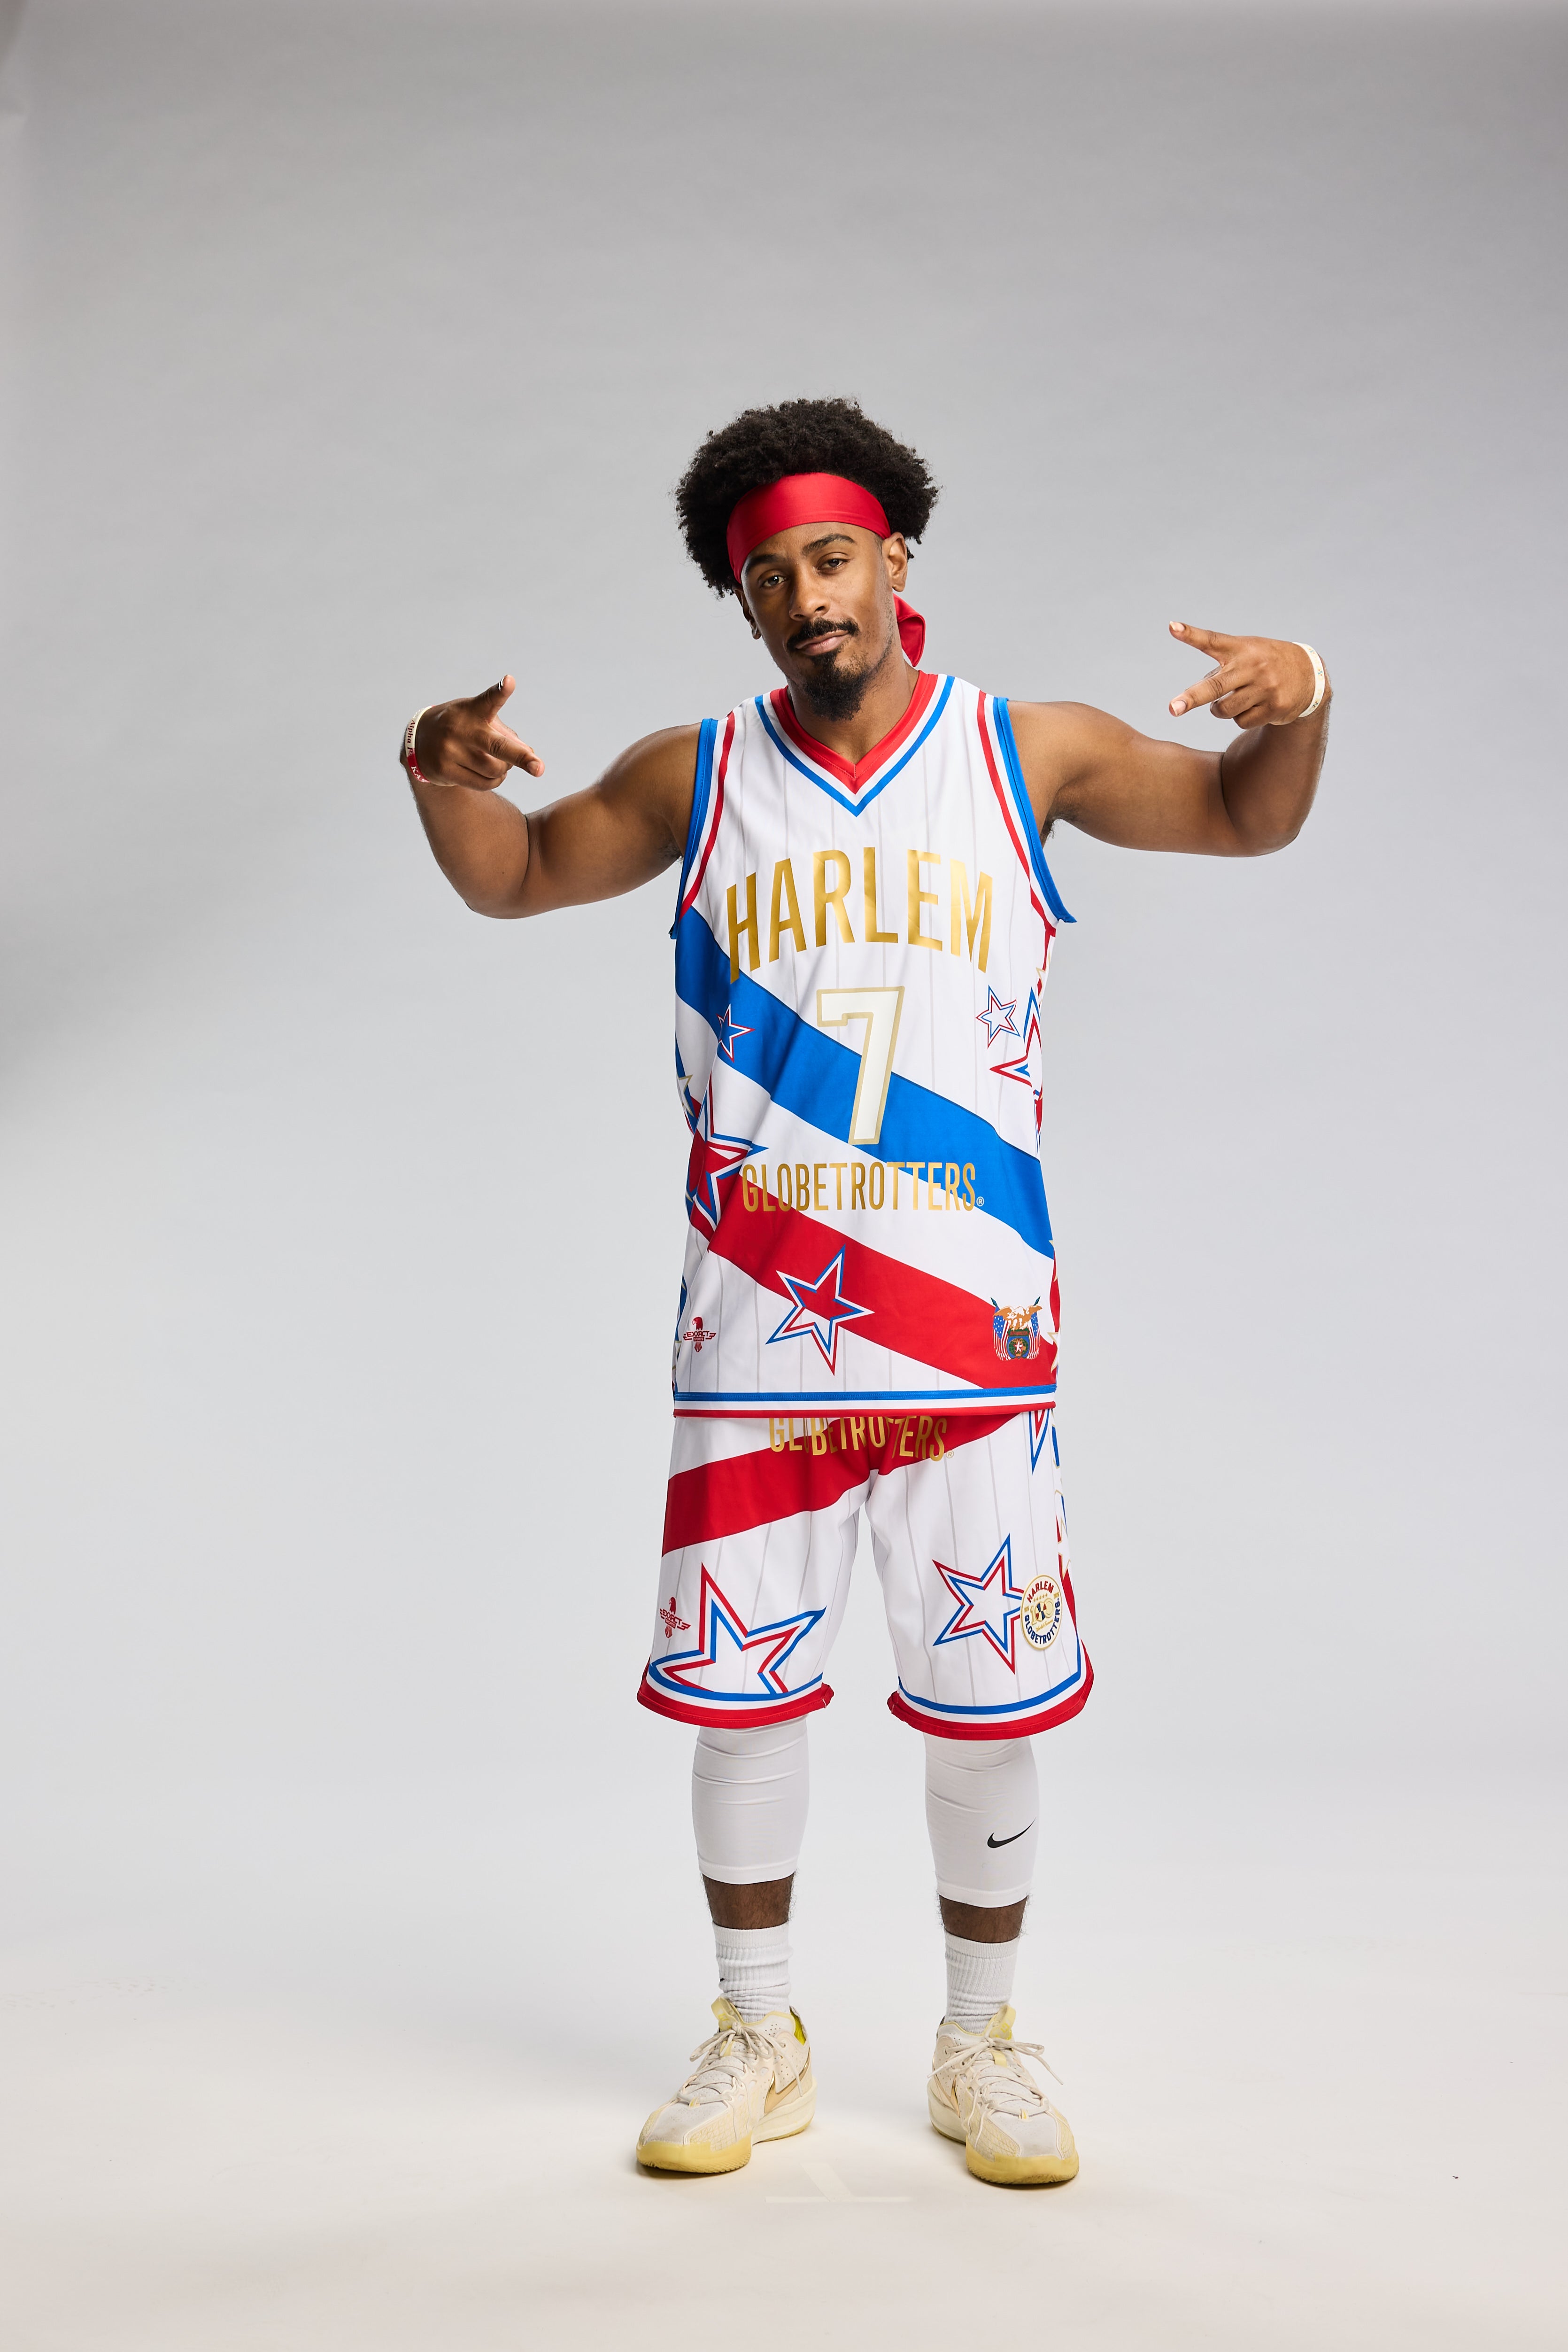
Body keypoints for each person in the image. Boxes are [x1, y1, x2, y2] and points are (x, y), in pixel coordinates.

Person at [400, 397, 1329, 2188]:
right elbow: (511, 878)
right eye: (766, 577)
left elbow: (1240, 818)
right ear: (743, 602)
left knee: (985, 1699)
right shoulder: (695, 774)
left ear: (892, 556)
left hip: (970, 1326)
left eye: (829, 558)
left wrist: (1300, 697)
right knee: (737, 1700)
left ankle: (983, 2044)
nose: (804, 597)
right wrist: (439, 774)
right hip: (755, 1319)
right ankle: (758, 2032)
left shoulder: (1024, 749)